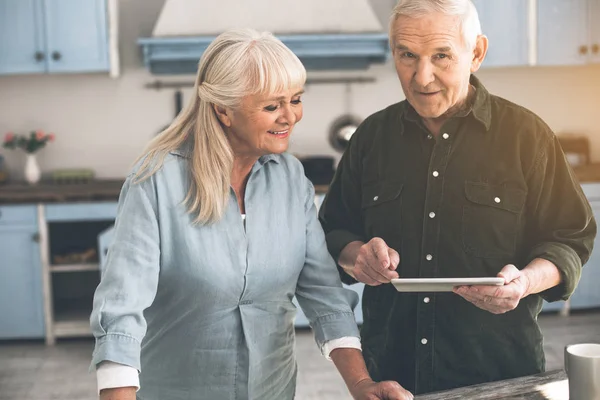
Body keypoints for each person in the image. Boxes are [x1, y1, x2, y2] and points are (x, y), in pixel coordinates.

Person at [89, 28, 413, 400]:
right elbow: (120, 312)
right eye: (272, 106)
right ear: (223, 110)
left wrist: (361, 384)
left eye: (295, 100)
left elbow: (324, 293)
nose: (290, 116)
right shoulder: (156, 181)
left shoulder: (291, 180)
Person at [319, 0, 596, 395]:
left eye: (441, 56)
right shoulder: (371, 139)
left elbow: (571, 238)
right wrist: (357, 255)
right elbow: (333, 230)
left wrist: (525, 282)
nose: (422, 76)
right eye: (407, 55)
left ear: (477, 53)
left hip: (501, 377)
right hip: (393, 378)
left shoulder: (527, 135)